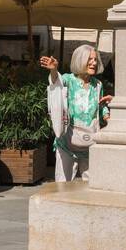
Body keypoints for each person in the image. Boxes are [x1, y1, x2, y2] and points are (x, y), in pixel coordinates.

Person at [39, 46, 112, 181]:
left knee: (93, 185)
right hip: (67, 143)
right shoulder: (68, 79)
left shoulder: (98, 85)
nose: (94, 63)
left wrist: (109, 118)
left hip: (90, 143)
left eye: (95, 59)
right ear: (80, 60)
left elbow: (100, 107)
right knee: (62, 185)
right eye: (89, 59)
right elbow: (56, 84)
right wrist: (54, 70)